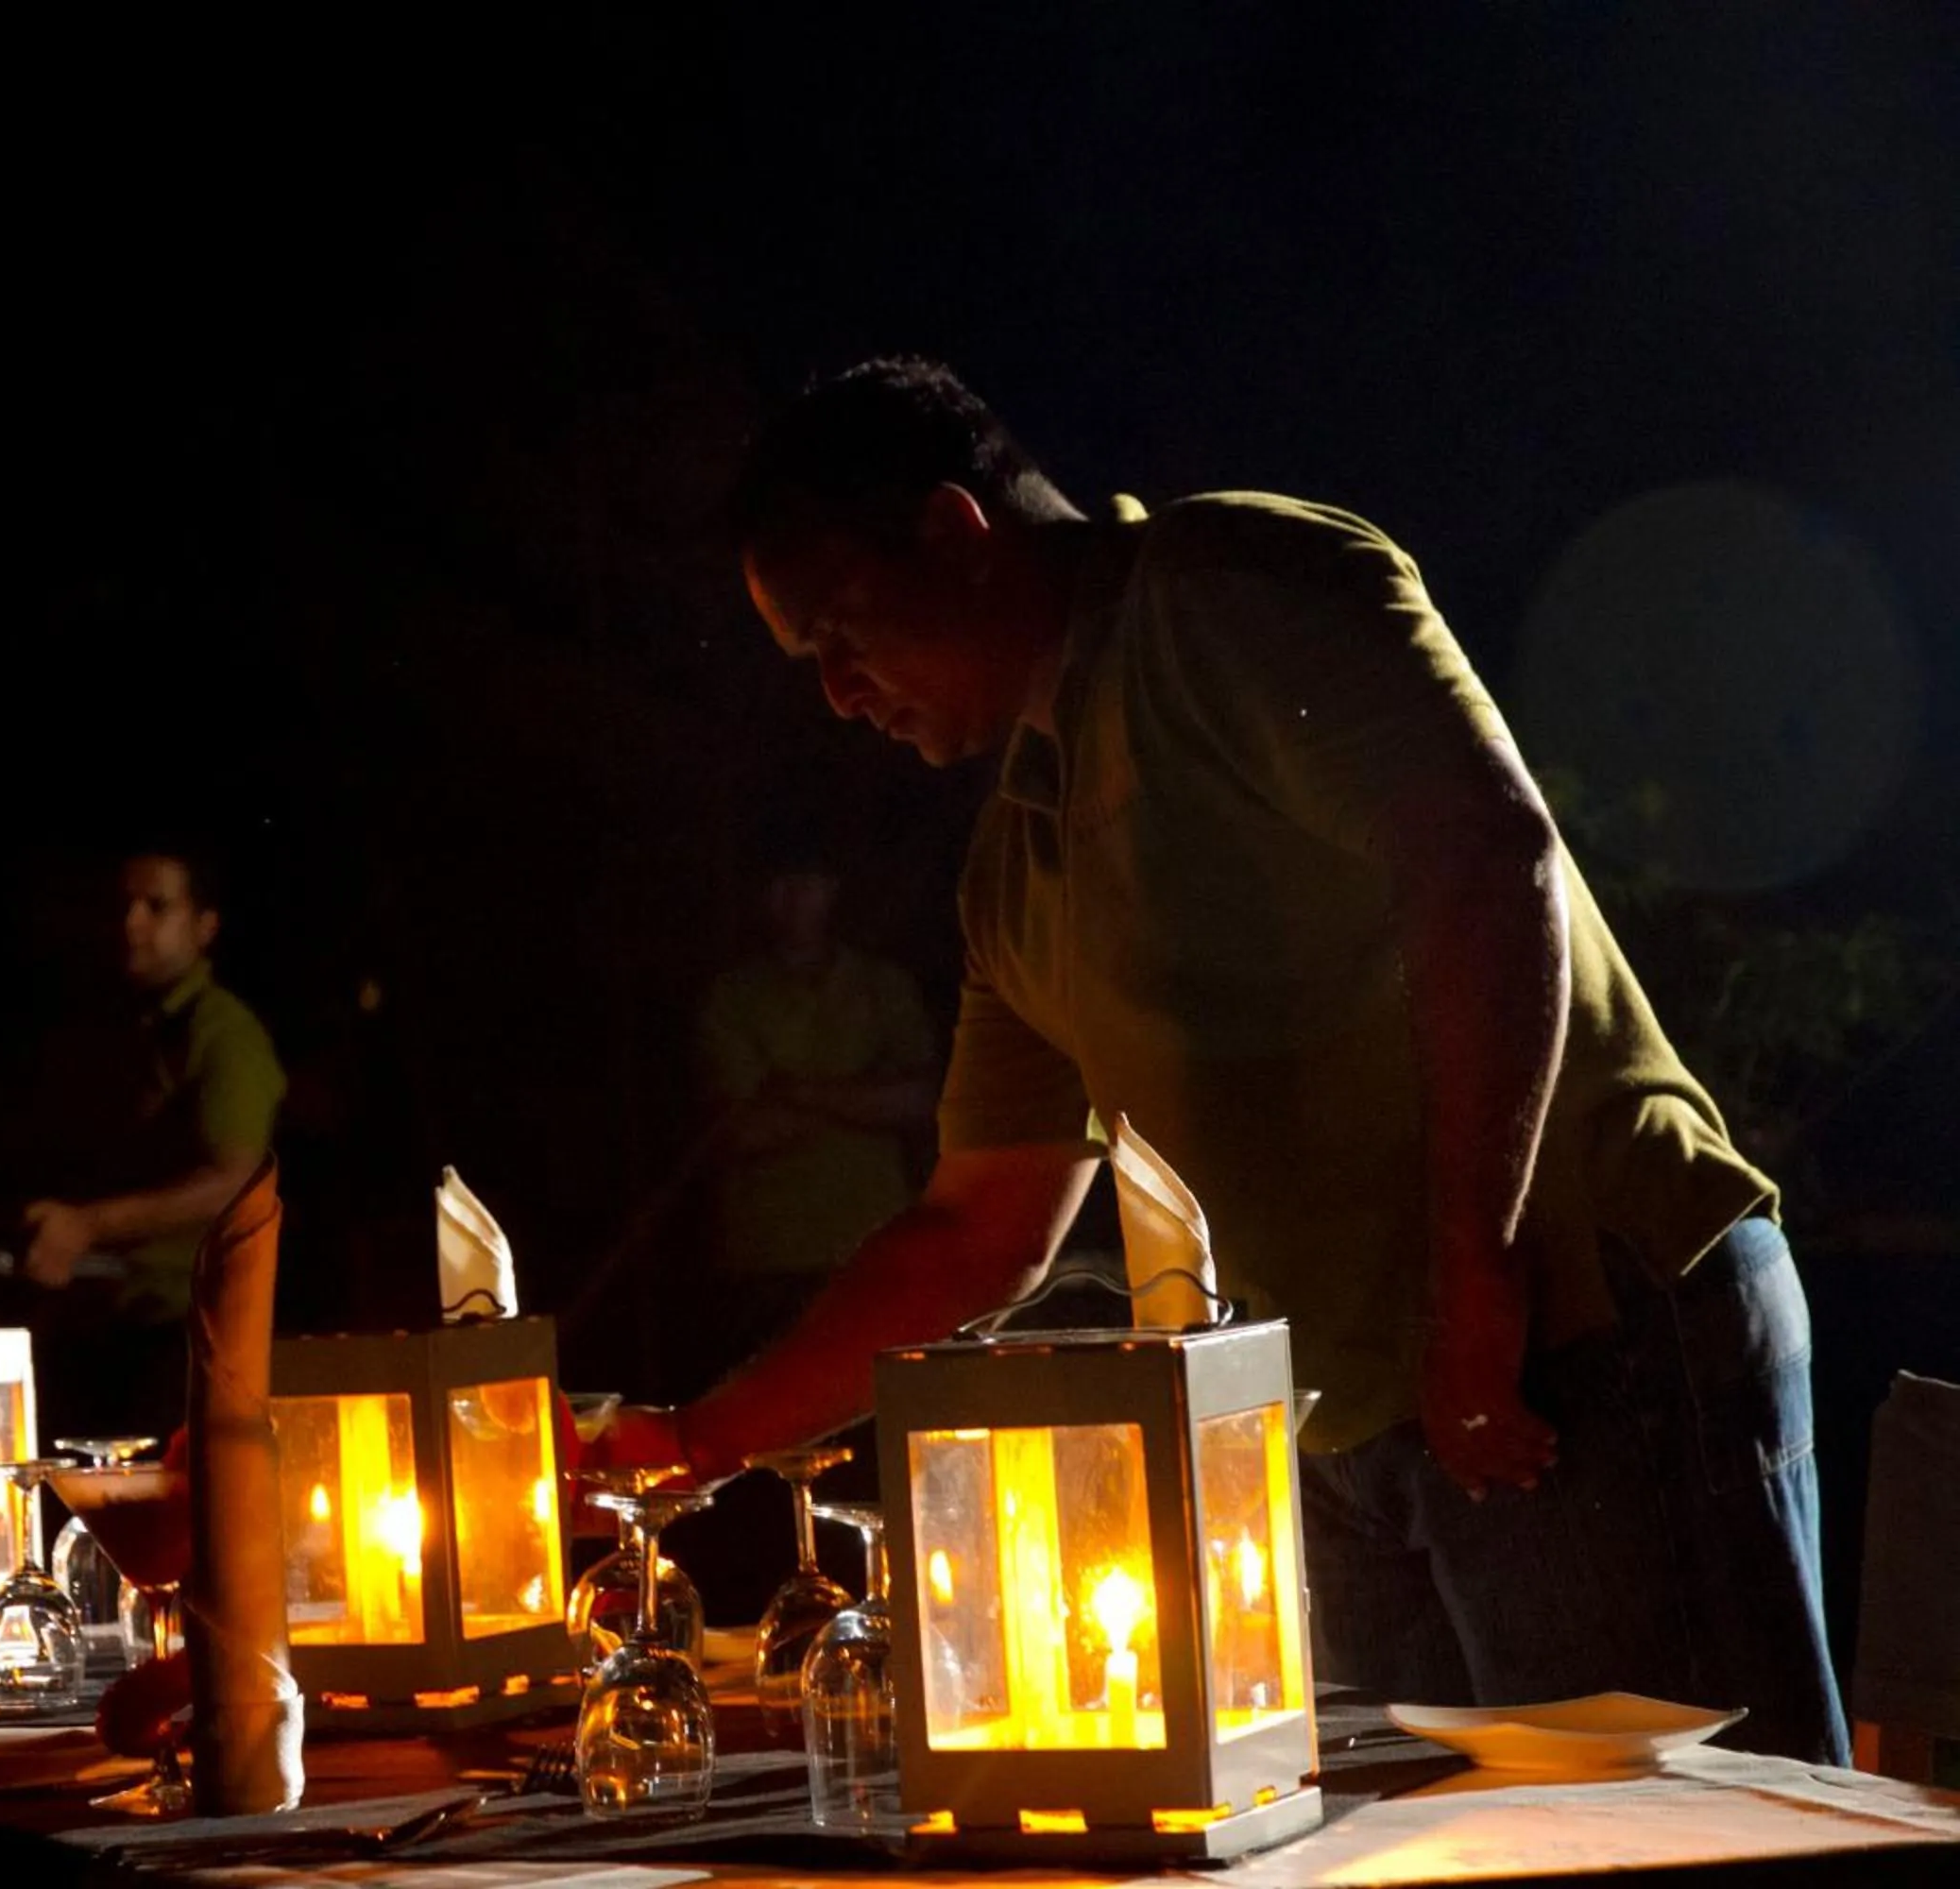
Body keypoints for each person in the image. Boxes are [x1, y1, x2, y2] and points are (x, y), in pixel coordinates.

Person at [598, 357, 1848, 1762]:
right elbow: (978, 1225)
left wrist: (1475, 1279)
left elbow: (1485, 857)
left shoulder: (1222, 587)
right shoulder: (1013, 864)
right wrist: (698, 1443)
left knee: (1702, 1855)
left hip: (1574, 1337)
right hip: (1351, 1431)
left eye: (839, 633)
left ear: (955, 533)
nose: (836, 696)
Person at [16, 848, 287, 1433]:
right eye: (124, 905)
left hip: (184, 1338)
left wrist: (88, 1226)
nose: (131, 922)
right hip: (94, 1327)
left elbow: (235, 1179)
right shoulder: (111, 1030)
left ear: (205, 925)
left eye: (156, 906)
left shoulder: (224, 1035)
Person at [693, 854, 937, 1368]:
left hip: (873, 1243)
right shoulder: (733, 997)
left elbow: (917, 1100)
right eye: (781, 883)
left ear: (831, 890)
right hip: (767, 1253)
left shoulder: (881, 986)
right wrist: (864, 1098)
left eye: (807, 882)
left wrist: (796, 1090)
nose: (794, 899)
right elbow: (742, 1131)